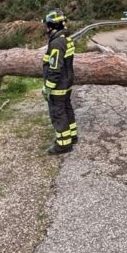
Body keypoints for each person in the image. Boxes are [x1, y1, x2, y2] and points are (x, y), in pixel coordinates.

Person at [42, 9, 77, 155]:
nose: (46, 28)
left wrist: (47, 88)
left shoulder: (57, 43)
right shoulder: (67, 39)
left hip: (58, 84)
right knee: (67, 108)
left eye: (47, 25)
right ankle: (71, 136)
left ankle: (63, 144)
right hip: (67, 81)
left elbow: (55, 68)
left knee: (58, 112)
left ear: (52, 26)